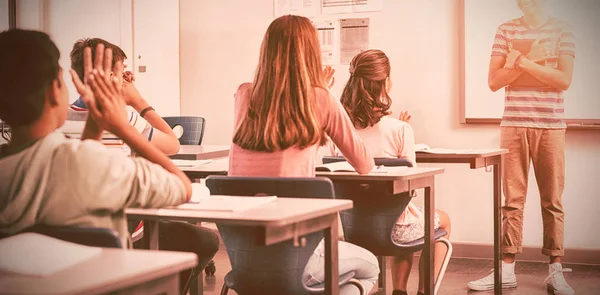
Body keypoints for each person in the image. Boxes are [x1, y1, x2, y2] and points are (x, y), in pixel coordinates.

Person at [0, 29, 218, 295]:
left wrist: (96, 125)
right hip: (102, 282)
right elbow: (181, 186)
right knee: (203, 239)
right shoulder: (91, 162)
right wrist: (120, 125)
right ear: (54, 93)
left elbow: (75, 162)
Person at [228, 15, 380, 294]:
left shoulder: (244, 94)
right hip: (299, 255)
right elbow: (364, 164)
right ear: (311, 52)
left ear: (266, 49)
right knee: (371, 268)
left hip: (243, 261)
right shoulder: (322, 98)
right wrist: (321, 93)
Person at [467, 0, 576, 294]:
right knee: (512, 200)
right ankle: (506, 270)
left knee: (552, 201)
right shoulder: (505, 30)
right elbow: (494, 81)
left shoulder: (562, 29)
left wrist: (522, 61)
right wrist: (534, 61)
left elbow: (563, 80)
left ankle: (555, 271)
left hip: (551, 126)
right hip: (513, 125)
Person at [337, 49, 452, 295]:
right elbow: (409, 186)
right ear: (386, 82)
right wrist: (404, 132)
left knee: (401, 214)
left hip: (352, 226)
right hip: (393, 230)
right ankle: (420, 291)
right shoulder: (399, 129)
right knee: (430, 217)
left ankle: (399, 290)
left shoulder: (339, 129)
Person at [67, 38, 180, 156]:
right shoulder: (126, 120)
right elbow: (173, 145)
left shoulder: (62, 118)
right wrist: (137, 101)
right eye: (121, 72)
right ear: (111, 77)